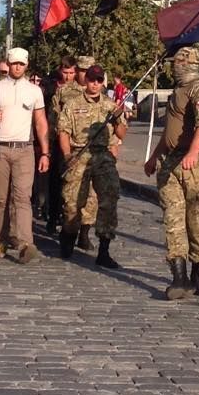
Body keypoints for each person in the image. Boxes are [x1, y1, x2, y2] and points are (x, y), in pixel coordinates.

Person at [144, 47, 199, 299]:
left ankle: (197, 274)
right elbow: (170, 131)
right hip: (170, 163)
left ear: (187, 64)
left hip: (197, 165)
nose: (173, 66)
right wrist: (154, 157)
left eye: (177, 62)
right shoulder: (177, 92)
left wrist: (194, 152)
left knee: (196, 223)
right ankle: (179, 277)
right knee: (174, 221)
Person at [0, 47, 50, 263]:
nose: (17, 67)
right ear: (8, 64)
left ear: (26, 66)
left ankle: (26, 242)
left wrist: (45, 152)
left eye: (21, 64)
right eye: (14, 63)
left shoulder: (34, 91)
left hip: (25, 149)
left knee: (23, 197)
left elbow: (41, 122)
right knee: (0, 197)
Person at [57, 64, 126, 268]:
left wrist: (119, 119)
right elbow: (63, 131)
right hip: (79, 153)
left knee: (109, 198)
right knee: (72, 203)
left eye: (99, 80)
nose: (95, 84)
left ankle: (104, 249)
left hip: (102, 155)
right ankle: (68, 235)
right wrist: (67, 154)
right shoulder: (72, 103)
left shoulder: (110, 105)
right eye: (92, 80)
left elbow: (121, 134)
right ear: (86, 80)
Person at [52, 56, 98, 250]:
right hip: (71, 151)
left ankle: (85, 234)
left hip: (94, 153)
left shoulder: (99, 93)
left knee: (91, 196)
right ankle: (67, 229)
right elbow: (54, 118)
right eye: (82, 70)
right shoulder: (64, 92)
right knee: (70, 196)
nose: (84, 74)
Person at [45, 56, 79, 235]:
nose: (68, 76)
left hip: (78, 144)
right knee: (55, 182)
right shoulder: (55, 90)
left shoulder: (82, 91)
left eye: (71, 73)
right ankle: (52, 216)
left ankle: (69, 220)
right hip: (58, 142)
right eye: (65, 73)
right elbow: (52, 117)